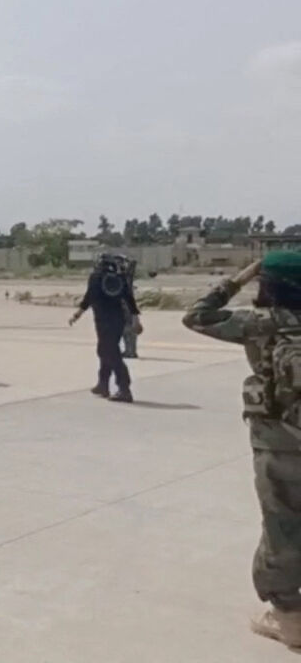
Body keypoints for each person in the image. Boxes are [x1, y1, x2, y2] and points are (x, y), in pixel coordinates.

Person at [182, 253, 301, 649]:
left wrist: (241, 275)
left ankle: (290, 624)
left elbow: (196, 315)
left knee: (282, 532)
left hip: (278, 447)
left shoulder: (258, 324)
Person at [69, 255, 141, 402]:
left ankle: (124, 388)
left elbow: (89, 297)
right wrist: (136, 319)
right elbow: (129, 298)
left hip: (103, 320)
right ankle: (103, 384)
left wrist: (78, 314)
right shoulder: (120, 278)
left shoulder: (96, 277)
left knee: (108, 351)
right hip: (118, 320)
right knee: (107, 350)